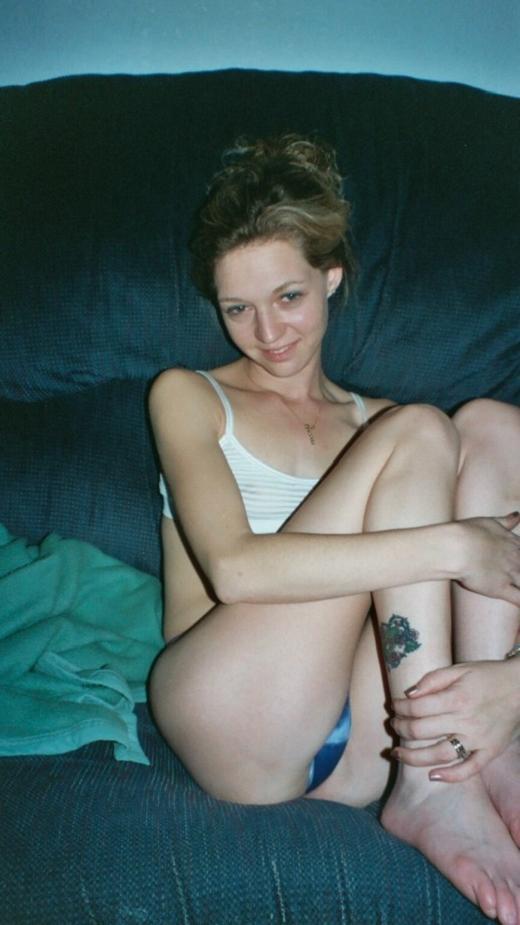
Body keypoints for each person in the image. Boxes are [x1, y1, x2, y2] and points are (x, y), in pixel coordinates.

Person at [148, 136, 520, 924]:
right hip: (234, 713)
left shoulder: (381, 429)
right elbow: (235, 571)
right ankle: (437, 782)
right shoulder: (188, 395)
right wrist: (456, 545)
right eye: (237, 308)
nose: (267, 331)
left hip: (370, 742)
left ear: (332, 277)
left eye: (288, 296)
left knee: (491, 426)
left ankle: (472, 749)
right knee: (422, 429)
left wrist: (510, 684)